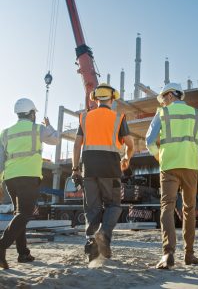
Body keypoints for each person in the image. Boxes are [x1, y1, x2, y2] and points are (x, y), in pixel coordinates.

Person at [146, 83, 198, 269]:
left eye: (163, 99)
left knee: (167, 207)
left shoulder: (162, 113)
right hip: (191, 166)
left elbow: (148, 140)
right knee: (189, 209)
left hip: (168, 166)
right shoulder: (197, 114)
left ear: (169, 96)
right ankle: (189, 255)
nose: (163, 102)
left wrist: (158, 155)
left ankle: (168, 254)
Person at [72, 83, 134, 263]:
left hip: (89, 169)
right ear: (112, 98)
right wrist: (126, 158)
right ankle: (104, 236)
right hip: (111, 168)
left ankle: (92, 244)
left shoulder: (84, 117)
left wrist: (75, 168)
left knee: (92, 209)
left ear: (95, 98)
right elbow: (130, 145)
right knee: (113, 206)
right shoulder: (118, 117)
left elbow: (77, 145)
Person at [0, 98, 60, 269]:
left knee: (20, 215)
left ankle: (23, 254)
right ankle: (1, 245)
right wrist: (49, 126)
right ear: (32, 113)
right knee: (24, 214)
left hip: (10, 178)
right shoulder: (38, 129)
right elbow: (56, 140)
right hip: (28, 176)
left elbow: (0, 159)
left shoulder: (5, 132)